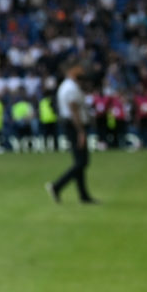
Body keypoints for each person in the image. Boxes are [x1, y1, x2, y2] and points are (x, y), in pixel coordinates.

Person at [45, 62, 96, 204]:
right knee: (81, 162)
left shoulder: (70, 86)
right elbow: (74, 111)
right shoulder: (70, 88)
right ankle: (57, 186)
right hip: (74, 126)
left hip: (72, 126)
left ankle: (83, 195)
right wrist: (81, 132)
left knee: (80, 162)